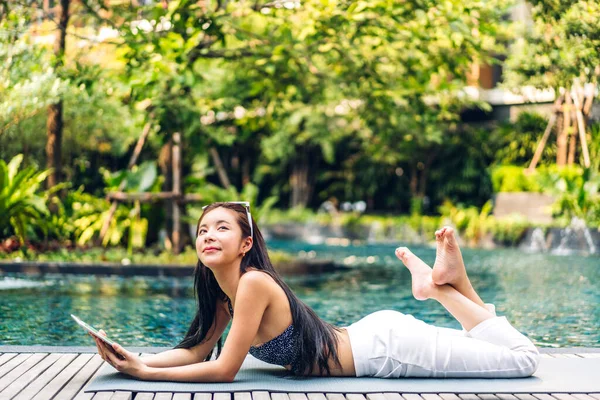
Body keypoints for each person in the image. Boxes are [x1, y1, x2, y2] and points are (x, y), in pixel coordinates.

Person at [93, 202, 540, 381]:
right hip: (377, 340)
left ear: (246, 244)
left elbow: (225, 370)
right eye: (203, 229)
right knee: (489, 347)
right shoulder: (222, 290)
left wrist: (146, 376)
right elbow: (196, 352)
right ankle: (449, 283)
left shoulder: (252, 283)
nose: (208, 235)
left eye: (222, 228)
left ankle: (442, 289)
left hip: (387, 352)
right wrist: (134, 356)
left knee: (523, 361)